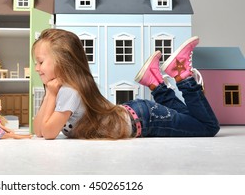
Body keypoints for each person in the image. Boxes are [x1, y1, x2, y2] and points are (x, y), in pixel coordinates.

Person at [32, 28, 220, 140]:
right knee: (190, 120)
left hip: (145, 120)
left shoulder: (69, 92)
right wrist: (50, 93)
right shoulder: (62, 89)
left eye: (40, 62)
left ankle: (183, 76)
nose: (36, 68)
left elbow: (48, 133)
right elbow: (39, 130)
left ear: (63, 61)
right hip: (136, 114)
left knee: (208, 127)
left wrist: (52, 94)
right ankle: (155, 83)